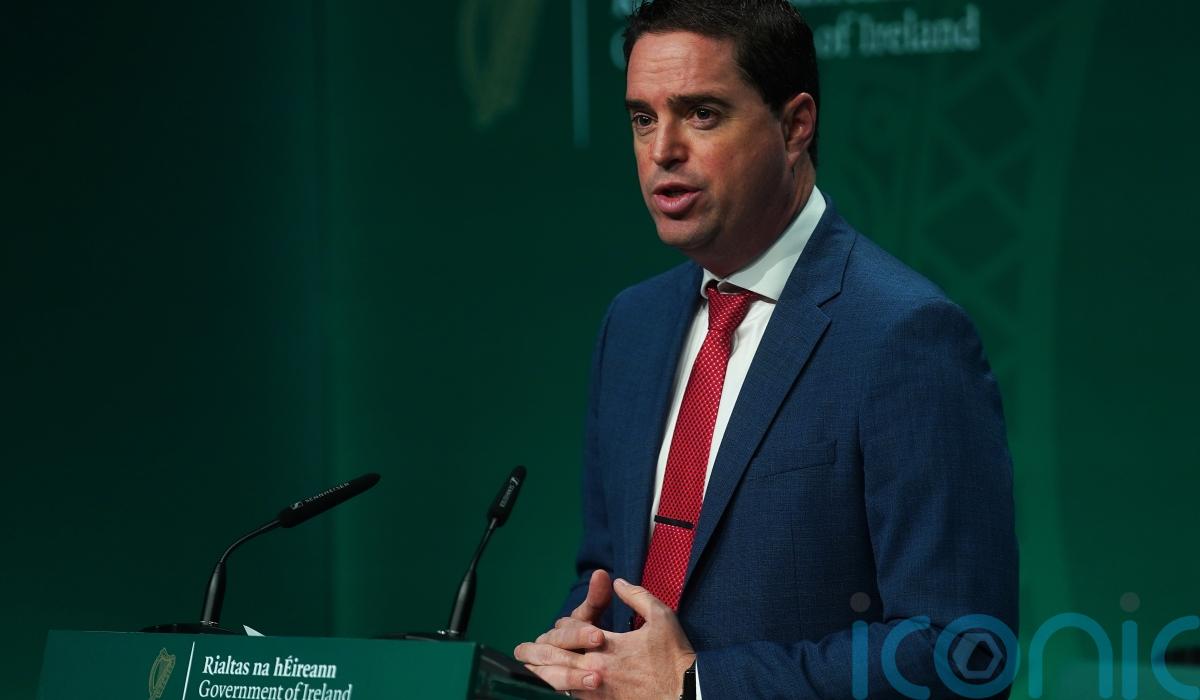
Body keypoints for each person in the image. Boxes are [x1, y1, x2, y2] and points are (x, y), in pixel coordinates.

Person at [514, 1, 1018, 697]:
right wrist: (585, 645)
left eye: (702, 114)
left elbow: (962, 648)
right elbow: (606, 575)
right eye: (643, 118)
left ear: (794, 125)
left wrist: (699, 686)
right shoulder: (631, 327)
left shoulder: (904, 335)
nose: (662, 151)